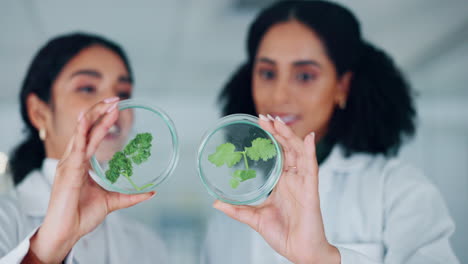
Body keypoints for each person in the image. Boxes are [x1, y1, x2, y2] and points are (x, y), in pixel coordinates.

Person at [202, 1, 459, 263]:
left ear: (342, 86)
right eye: (267, 73)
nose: (279, 95)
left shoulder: (398, 190)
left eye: (304, 76)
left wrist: (324, 257)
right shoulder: (232, 208)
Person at [0, 33, 167, 263]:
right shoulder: (5, 220)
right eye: (87, 88)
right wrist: (47, 249)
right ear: (39, 113)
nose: (114, 108)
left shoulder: (148, 244)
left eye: (124, 93)